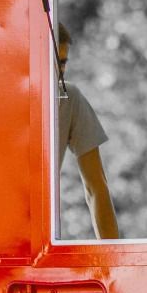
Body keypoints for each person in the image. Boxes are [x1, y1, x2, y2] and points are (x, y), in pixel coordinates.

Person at [56, 27, 120, 240]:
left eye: (62, 63)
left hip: (41, 237)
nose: (57, 71)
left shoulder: (69, 98)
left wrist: (111, 255)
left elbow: (96, 188)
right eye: (51, 61)